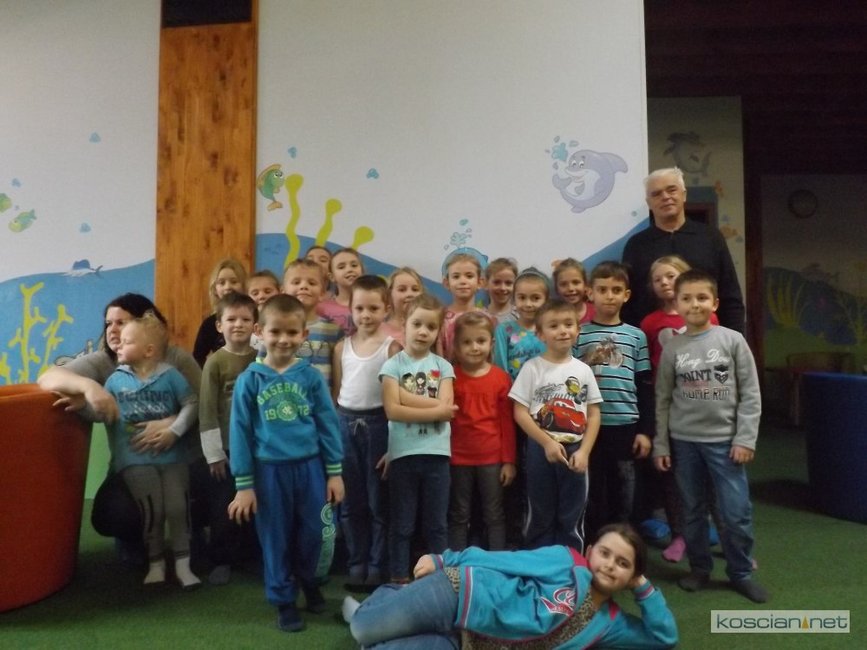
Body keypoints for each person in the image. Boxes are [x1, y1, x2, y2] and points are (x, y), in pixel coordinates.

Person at [345, 522, 678, 649]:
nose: (610, 565)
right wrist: (447, 560)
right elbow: (508, 560)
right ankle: (391, 594)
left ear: (631, 576)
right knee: (362, 629)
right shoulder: (567, 562)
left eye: (623, 564)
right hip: (460, 594)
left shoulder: (609, 624)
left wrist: (643, 587)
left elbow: (664, 638)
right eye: (605, 553)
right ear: (589, 552)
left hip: (465, 642)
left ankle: (391, 615)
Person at [38, 293, 202, 548]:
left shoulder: (176, 359)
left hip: (183, 460)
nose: (112, 330)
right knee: (114, 514)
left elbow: (203, 402)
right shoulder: (104, 361)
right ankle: (134, 541)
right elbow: (48, 377)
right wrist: (90, 387)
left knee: (209, 492)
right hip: (132, 465)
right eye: (108, 324)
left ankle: (196, 537)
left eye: (121, 322)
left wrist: (173, 421)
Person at [228, 294, 345, 632]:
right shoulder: (249, 380)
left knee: (316, 533)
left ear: (303, 334)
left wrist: (334, 473)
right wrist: (244, 485)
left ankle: (310, 581)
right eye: (275, 331)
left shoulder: (310, 377)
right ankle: (283, 599)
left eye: (292, 332)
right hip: (269, 473)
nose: (283, 339)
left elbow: (328, 424)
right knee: (275, 538)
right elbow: (239, 432)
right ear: (259, 332)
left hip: (310, 469)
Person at [652, 269, 767, 603]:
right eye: (686, 298)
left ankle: (740, 572)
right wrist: (661, 443)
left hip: (726, 443)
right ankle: (699, 567)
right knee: (692, 510)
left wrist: (745, 439)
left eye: (702, 297)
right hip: (684, 442)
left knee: (735, 513)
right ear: (677, 303)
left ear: (714, 303)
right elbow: (662, 398)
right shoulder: (673, 347)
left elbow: (751, 393)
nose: (694, 304)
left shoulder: (732, 341)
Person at [104, 312, 200, 588]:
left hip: (173, 457)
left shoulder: (170, 375)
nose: (119, 345)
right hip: (134, 459)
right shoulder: (115, 381)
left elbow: (191, 403)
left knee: (177, 507)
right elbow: (100, 409)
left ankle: (183, 564)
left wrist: (174, 430)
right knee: (152, 509)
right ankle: (156, 562)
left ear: (148, 350)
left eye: (127, 342)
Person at [640, 255, 719, 564]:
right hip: (667, 405)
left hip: (703, 406)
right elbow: (648, 366)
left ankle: (718, 533)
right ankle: (679, 534)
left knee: (710, 471)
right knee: (671, 471)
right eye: (657, 278)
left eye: (670, 276)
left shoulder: (709, 318)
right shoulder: (650, 323)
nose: (664, 282)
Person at [511, 299, 602, 551]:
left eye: (568, 324)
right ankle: (538, 561)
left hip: (576, 450)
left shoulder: (583, 370)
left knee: (572, 514)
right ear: (540, 334)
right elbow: (520, 412)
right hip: (540, 450)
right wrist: (546, 442)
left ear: (578, 330)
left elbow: (594, 414)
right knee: (540, 512)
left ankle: (571, 560)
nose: (562, 330)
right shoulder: (532, 369)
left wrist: (585, 452)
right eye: (554, 326)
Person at [379, 294, 457, 582]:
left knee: (436, 525)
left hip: (437, 456)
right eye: (417, 324)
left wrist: (404, 397)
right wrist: (436, 409)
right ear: (405, 323)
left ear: (438, 331)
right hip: (403, 455)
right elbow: (392, 411)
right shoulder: (393, 366)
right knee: (402, 524)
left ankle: (441, 581)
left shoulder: (444, 367)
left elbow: (447, 411)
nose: (423, 331)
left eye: (431, 327)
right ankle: (399, 579)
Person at [575, 262, 652, 539]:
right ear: (590, 293)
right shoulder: (578, 334)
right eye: (603, 289)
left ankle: (622, 540)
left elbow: (644, 385)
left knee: (624, 487)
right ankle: (593, 541)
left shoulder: (636, 336)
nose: (609, 296)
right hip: (588, 426)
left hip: (625, 423)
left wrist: (645, 431)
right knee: (593, 488)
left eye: (616, 290)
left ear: (626, 295)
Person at [332, 275, 398, 592]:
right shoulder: (340, 348)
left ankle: (376, 565)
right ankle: (355, 563)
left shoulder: (392, 348)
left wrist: (394, 444)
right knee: (350, 502)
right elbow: (336, 394)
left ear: (386, 309)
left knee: (377, 502)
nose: (366, 315)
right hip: (345, 425)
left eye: (373, 308)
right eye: (359, 308)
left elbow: (396, 401)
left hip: (378, 426)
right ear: (350, 308)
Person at [621, 167, 745, 333]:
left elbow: (730, 296)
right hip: (652, 341)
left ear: (684, 194)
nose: (665, 197)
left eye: (671, 190)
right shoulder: (636, 245)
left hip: (709, 339)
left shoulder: (710, 238)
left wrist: (734, 339)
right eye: (657, 194)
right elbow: (627, 304)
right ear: (649, 203)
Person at [198, 292, 259, 585]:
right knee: (224, 505)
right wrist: (214, 454)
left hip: (257, 447)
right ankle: (221, 559)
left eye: (245, 319)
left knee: (253, 502)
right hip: (225, 449)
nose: (238, 324)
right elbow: (207, 410)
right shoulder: (215, 363)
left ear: (255, 325)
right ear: (219, 325)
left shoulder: (261, 358)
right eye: (231, 319)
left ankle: (249, 555)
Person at [448, 311, 516, 551]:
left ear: (491, 343)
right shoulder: (449, 377)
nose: (474, 347)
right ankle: (456, 564)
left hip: (492, 458)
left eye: (480, 341)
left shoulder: (501, 378)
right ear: (456, 346)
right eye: (466, 342)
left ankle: (496, 562)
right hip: (457, 458)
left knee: (494, 514)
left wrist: (509, 461)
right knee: (459, 513)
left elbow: (507, 423)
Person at [282, 258, 344, 389]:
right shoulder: (275, 328)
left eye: (311, 283)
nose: (304, 286)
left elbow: (340, 372)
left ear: (322, 293)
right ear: (283, 291)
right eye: (296, 282)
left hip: (322, 399)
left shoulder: (334, 330)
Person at [493, 267, 549, 380]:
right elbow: (500, 367)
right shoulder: (504, 330)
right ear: (514, 299)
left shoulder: (552, 330)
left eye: (535, 298)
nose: (528, 304)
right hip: (512, 390)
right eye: (522, 298)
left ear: (546, 300)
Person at [193, 258, 248, 367]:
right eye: (222, 283)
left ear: (243, 285)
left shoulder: (254, 317)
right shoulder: (210, 324)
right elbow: (198, 357)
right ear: (215, 289)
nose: (228, 287)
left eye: (234, 282)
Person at [439, 252, 485, 361]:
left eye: (469, 276)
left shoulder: (487, 318)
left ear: (479, 282)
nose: (463, 281)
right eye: (456, 276)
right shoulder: (440, 318)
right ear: (447, 283)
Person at [317, 247, 364, 335]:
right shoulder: (322, 308)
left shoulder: (374, 305)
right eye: (341, 267)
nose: (349, 269)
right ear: (332, 277)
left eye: (354, 265)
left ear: (362, 271)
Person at [383, 266, 424, 346]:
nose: (410, 294)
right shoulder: (379, 330)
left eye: (415, 289)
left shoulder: (428, 331)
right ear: (389, 295)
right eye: (402, 289)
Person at [553, 257, 595, 332]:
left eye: (576, 282)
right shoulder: (551, 316)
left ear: (585, 285)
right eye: (563, 284)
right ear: (556, 289)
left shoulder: (597, 312)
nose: (570, 288)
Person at [483, 257, 518, 324]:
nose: (503, 288)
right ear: (486, 284)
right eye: (497, 282)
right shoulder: (479, 316)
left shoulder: (520, 316)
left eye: (508, 283)